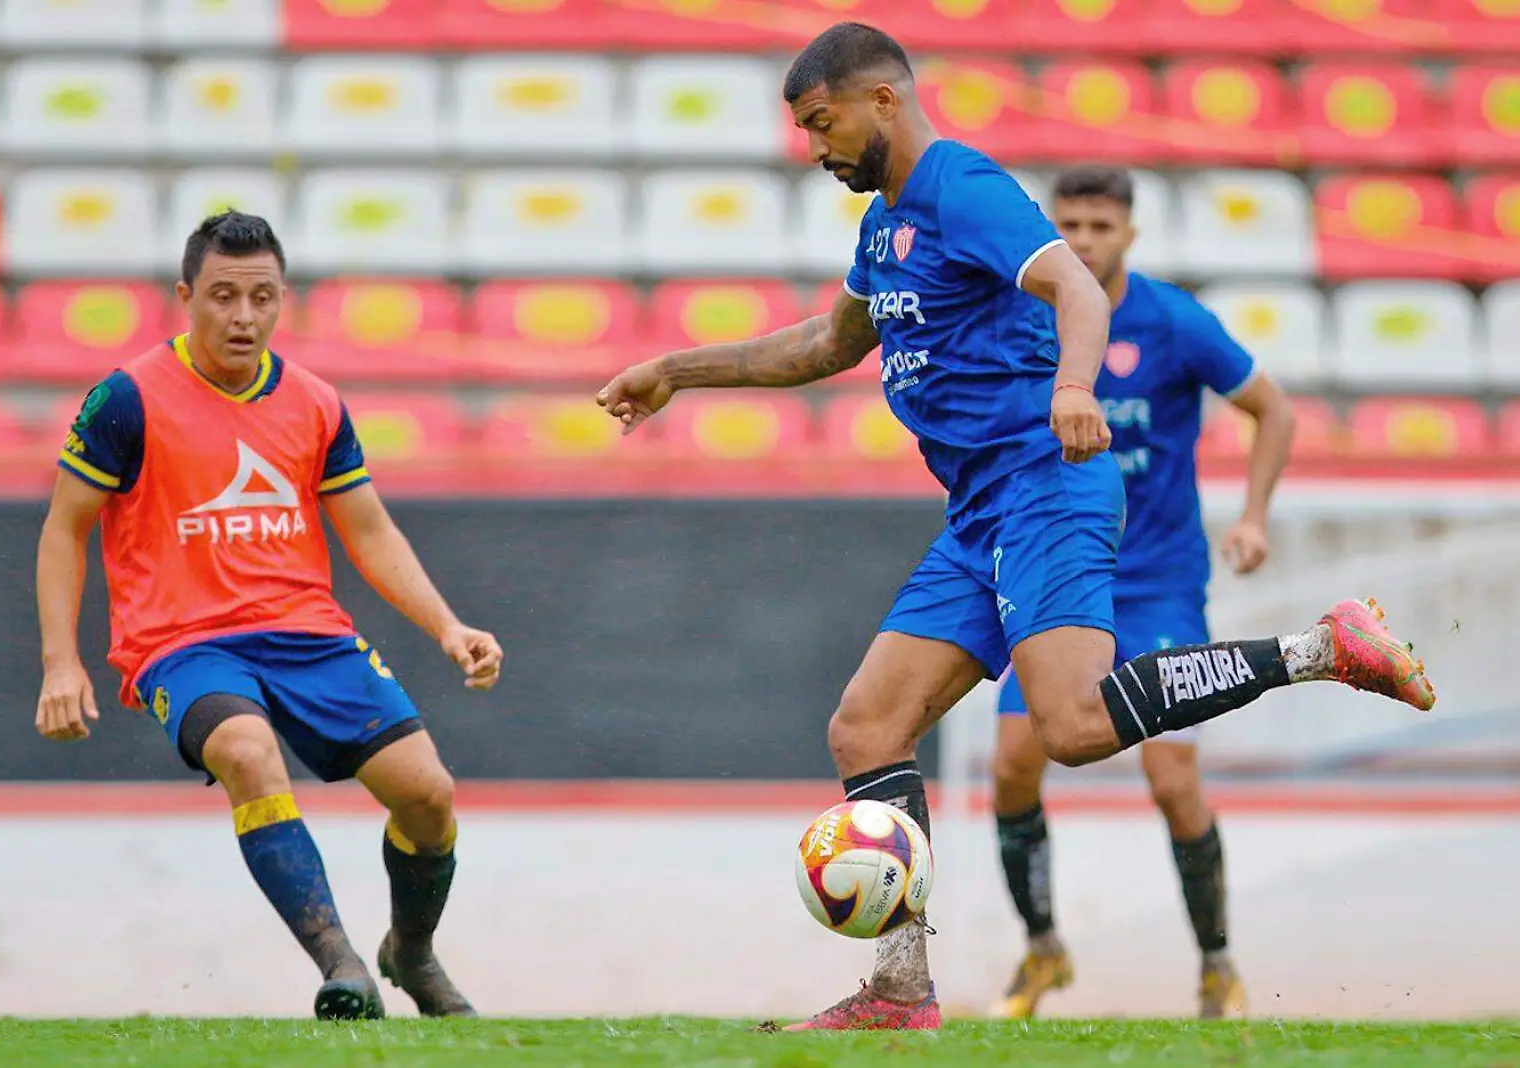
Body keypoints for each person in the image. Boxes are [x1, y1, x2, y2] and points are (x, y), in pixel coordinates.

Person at [596, 24, 1435, 1032]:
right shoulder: (886, 226)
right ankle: (901, 988)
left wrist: (1073, 385)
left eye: (823, 124)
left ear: (882, 102)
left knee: (1073, 728)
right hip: (979, 514)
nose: (816, 149)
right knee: (864, 728)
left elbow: (1072, 286)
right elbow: (826, 342)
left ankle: (1319, 648)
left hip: (1046, 486)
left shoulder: (962, 185)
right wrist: (677, 371)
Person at [35, 211, 501, 1022]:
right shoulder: (126, 399)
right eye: (222, 296)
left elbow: (369, 531)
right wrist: (60, 662)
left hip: (307, 635)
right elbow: (63, 528)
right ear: (185, 297)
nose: (243, 316)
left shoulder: (315, 402)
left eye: (262, 297)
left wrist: (448, 627)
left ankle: (411, 953)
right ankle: (341, 962)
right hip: (182, 645)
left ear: (283, 300)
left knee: (428, 796)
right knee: (247, 752)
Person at [988, 166, 1297, 1022]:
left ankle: (1216, 963)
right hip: (1060, 578)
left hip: (1157, 582)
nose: (1083, 241)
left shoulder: (1173, 321)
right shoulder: (1029, 312)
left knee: (1170, 780)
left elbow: (1273, 409)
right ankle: (1044, 950)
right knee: (1012, 767)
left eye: (1100, 226)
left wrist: (1255, 518)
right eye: (1070, 225)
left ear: (1130, 234)